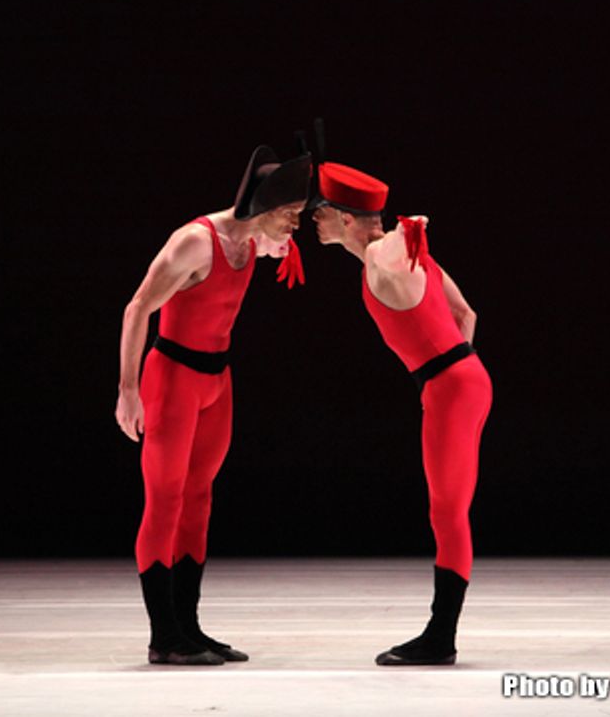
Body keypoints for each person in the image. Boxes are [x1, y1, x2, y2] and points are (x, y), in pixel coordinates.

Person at [115, 145, 309, 665]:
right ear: (265, 206)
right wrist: (128, 390)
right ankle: (163, 635)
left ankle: (189, 625)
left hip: (216, 382)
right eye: (291, 215)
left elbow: (266, 244)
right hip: (173, 378)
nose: (296, 225)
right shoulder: (195, 243)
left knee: (199, 500)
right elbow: (138, 308)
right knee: (165, 501)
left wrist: (282, 241)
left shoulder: (251, 241)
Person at [311, 161, 490, 666]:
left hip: (452, 384)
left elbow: (393, 262)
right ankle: (440, 634)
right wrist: (450, 373)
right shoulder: (402, 253)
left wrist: (401, 231)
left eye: (321, 213)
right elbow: (464, 315)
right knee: (449, 510)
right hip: (463, 378)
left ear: (347, 220)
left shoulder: (384, 255)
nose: (313, 222)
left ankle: (440, 639)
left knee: (447, 513)